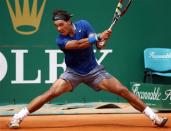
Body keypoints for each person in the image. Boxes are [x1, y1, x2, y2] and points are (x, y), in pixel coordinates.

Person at [9, 9, 168, 129]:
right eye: (56, 26)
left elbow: (98, 46)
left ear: (69, 21)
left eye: (61, 24)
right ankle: (18, 117)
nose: (58, 28)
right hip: (73, 73)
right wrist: (98, 36)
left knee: (123, 90)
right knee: (49, 94)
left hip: (94, 71)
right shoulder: (60, 40)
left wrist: (102, 41)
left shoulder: (84, 25)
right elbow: (79, 44)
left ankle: (154, 117)